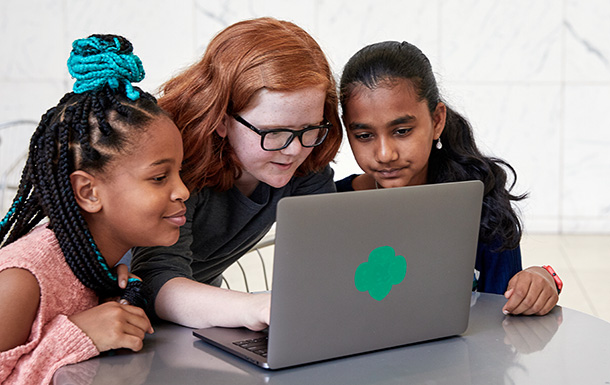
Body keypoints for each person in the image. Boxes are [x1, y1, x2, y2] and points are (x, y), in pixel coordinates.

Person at [130, 18, 342, 330]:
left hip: (197, 321)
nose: (294, 149)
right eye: (274, 132)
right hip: (124, 318)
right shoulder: (176, 168)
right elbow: (155, 280)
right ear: (221, 120)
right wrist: (253, 307)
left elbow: (326, 259)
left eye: (309, 128)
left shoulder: (306, 163)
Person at [0, 34, 189, 383]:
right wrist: (74, 335)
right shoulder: (21, 282)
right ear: (88, 191)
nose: (183, 190)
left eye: (180, 171)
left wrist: (111, 292)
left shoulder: (97, 261)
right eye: (160, 177)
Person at [336, 41, 560, 316]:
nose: (385, 154)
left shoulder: (481, 199)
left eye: (402, 131)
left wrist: (539, 281)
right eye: (364, 136)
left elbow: (502, 313)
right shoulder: (330, 205)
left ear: (437, 121)